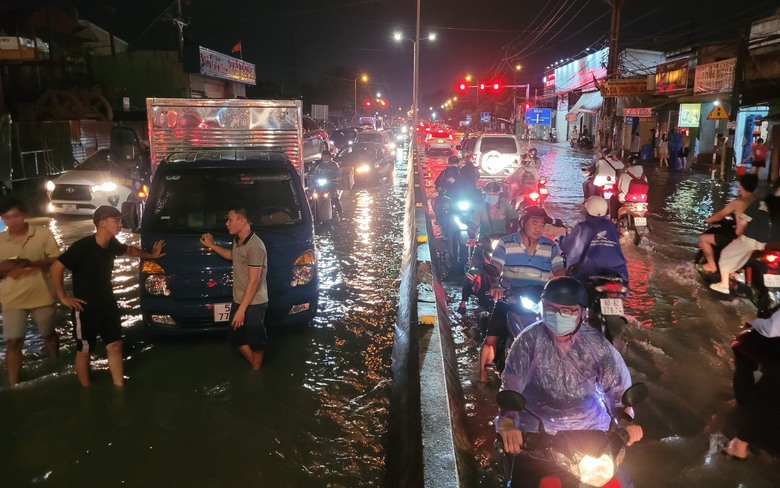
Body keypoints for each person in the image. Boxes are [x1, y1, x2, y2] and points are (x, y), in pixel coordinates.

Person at [496, 277, 643, 485]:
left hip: (592, 435)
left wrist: (626, 421)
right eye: (550, 309)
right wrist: (508, 422)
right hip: (540, 434)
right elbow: (511, 389)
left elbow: (617, 390)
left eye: (567, 311)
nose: (557, 316)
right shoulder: (528, 341)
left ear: (582, 313)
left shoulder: (597, 345)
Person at [50, 206, 165, 387]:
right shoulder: (83, 246)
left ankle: (119, 387)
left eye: (120, 220)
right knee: (84, 350)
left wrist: (151, 255)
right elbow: (56, 267)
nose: (120, 224)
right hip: (85, 307)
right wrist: (63, 297)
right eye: (116, 221)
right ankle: (86, 390)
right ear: (102, 223)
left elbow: (129, 250)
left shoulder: (111, 244)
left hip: (108, 303)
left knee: (115, 345)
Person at [479, 206, 565, 382]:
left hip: (539, 298)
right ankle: (482, 374)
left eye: (542, 225)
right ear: (523, 222)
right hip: (509, 296)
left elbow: (559, 270)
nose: (538, 228)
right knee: (491, 337)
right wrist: (495, 285)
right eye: (534, 223)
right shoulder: (506, 243)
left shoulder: (550, 246)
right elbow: (496, 268)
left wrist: (565, 285)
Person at [0, 197, 61, 385]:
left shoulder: (42, 234)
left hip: (42, 295)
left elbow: (57, 260)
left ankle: (56, 366)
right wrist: (5, 267)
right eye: (7, 218)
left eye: (15, 216)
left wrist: (31, 263)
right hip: (12, 298)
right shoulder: (1, 240)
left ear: (24, 215)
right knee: (13, 342)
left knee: (48, 334)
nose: (12, 221)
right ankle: (14, 383)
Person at [200, 207, 268, 370]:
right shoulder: (238, 240)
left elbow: (254, 281)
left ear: (242, 221)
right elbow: (233, 256)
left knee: (256, 339)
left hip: (255, 302)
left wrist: (241, 311)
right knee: (236, 337)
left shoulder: (255, 246)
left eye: (230, 220)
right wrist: (212, 245)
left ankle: (256, 371)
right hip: (240, 299)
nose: (226, 223)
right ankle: (256, 366)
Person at [457, 182, 519, 314]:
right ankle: (463, 301)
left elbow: (516, 220)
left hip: (503, 242)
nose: (492, 196)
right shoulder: (480, 208)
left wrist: (514, 233)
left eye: (494, 193)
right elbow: (473, 225)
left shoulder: (506, 206)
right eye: (489, 194)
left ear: (499, 195)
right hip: (484, 242)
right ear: (485, 194)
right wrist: (472, 236)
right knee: (473, 270)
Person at [710, 174, 770, 294]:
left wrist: (738, 232)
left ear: (741, 186)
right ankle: (737, 274)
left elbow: (742, 222)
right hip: (763, 241)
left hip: (750, 239)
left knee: (725, 254)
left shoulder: (750, 203)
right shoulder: (764, 203)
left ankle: (724, 284)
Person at [560, 195, 629, 287]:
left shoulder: (583, 227)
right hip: (618, 271)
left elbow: (569, 247)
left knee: (574, 286)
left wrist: (560, 240)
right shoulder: (612, 226)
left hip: (590, 271)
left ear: (588, 209)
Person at [698, 173, 757, 273]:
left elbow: (720, 215)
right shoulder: (758, 202)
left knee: (704, 238)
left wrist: (709, 220)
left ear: (740, 186)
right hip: (755, 238)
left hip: (739, 239)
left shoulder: (738, 202)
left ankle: (712, 266)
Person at [312, 150, 343, 217]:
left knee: (334, 198)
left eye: (326, 157)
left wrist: (333, 179)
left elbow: (338, 174)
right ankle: (314, 213)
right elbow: (315, 174)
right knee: (315, 197)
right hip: (321, 185)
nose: (325, 158)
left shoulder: (334, 165)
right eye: (324, 157)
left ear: (330, 157)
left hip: (332, 184)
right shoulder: (320, 166)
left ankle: (340, 213)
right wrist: (315, 180)